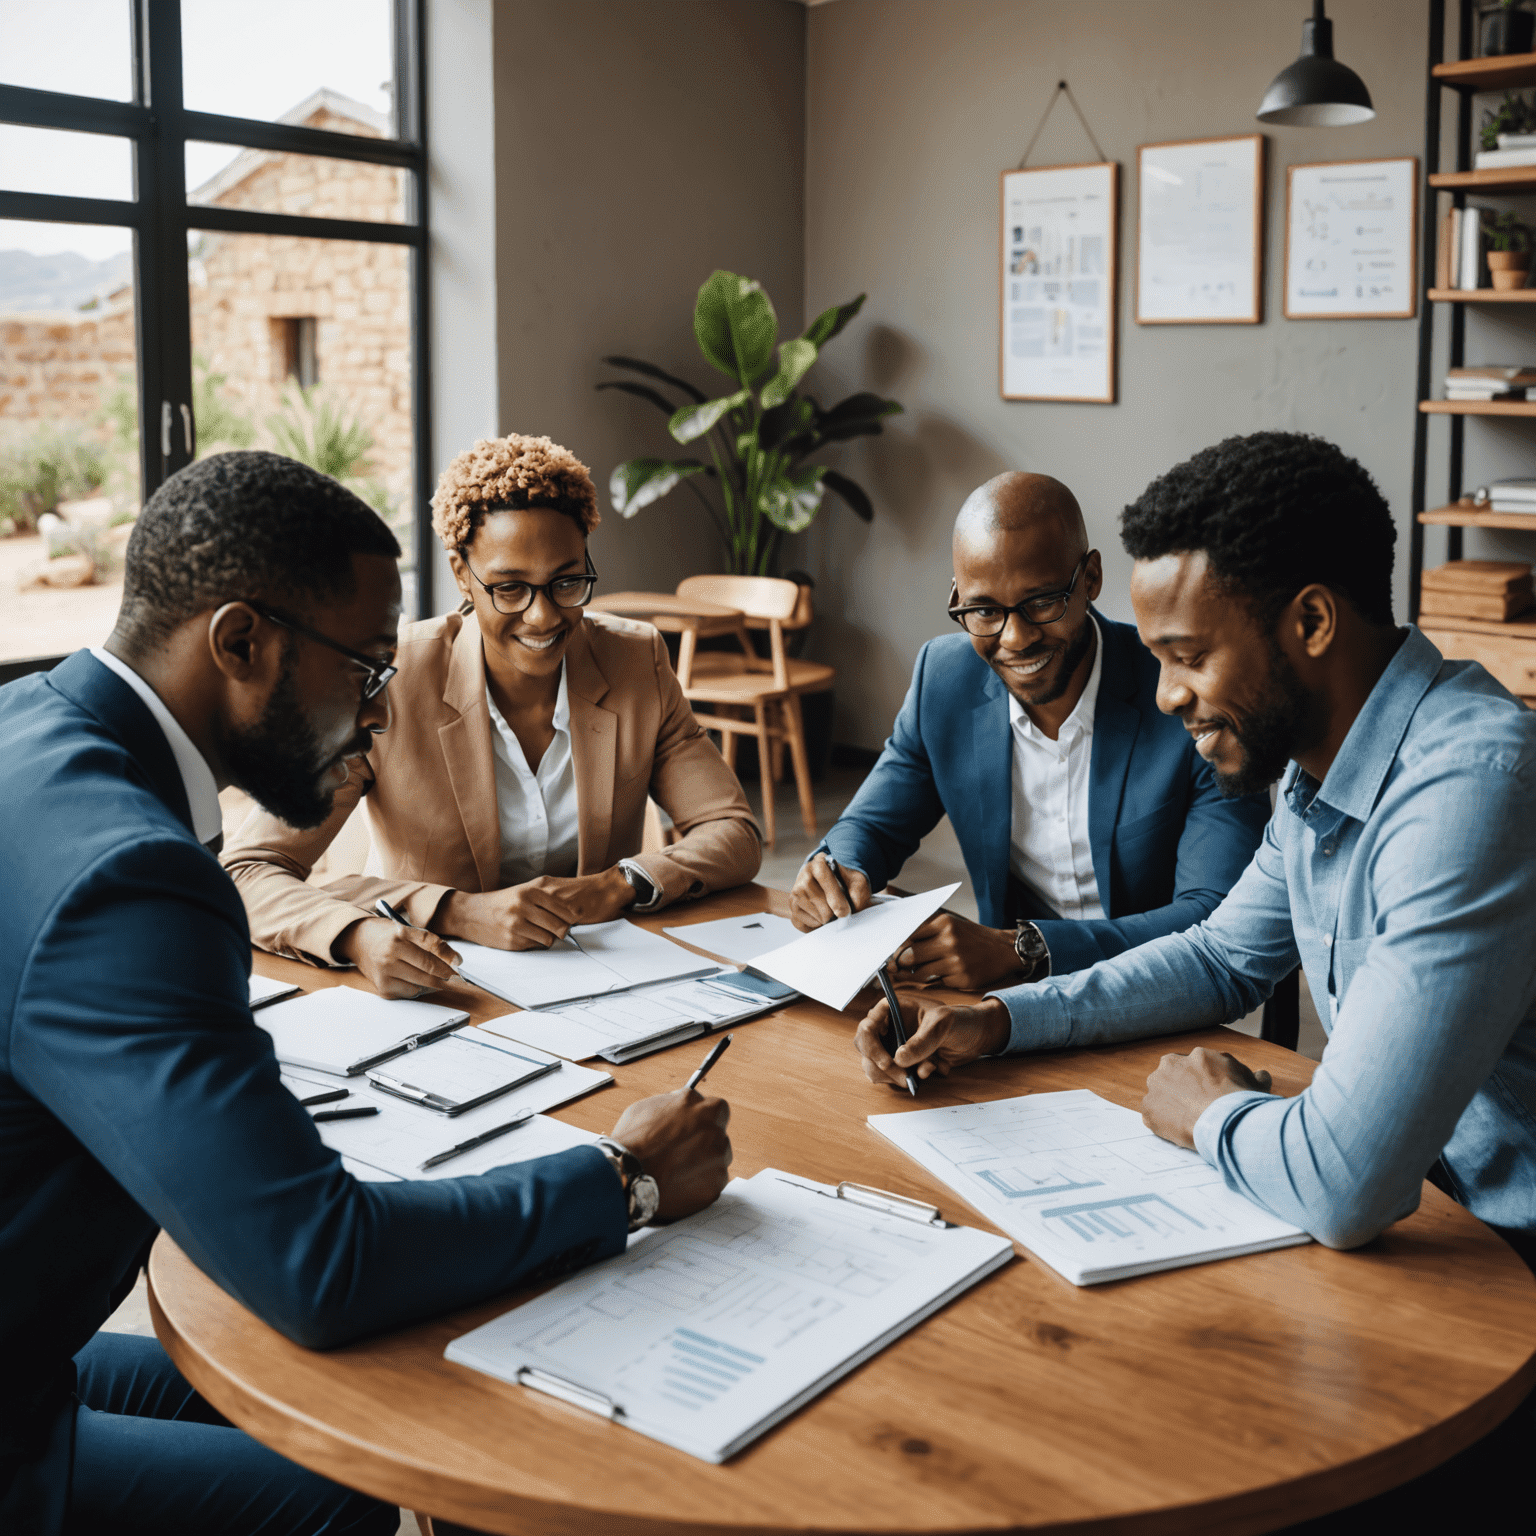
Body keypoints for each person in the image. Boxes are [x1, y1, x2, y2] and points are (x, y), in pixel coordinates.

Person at [0, 451, 733, 1535]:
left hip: (31, 1343)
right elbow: (321, 1265)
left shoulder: (36, 729)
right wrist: (621, 1177)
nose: (376, 706)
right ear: (243, 643)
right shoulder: (131, 874)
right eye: (364, 669)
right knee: (356, 1494)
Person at [854, 432, 1536, 1268]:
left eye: (1189, 657)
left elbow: (1343, 1185)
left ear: (1312, 622)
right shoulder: (1316, 769)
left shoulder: (1472, 788)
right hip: (1427, 1215)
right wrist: (994, 1023)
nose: (1169, 694)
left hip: (1503, 1266)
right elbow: (1219, 958)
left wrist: (1210, 1111)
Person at [222, 433, 760, 999]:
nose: (543, 615)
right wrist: (428, 918)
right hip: (442, 991)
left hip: (605, 985)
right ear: (461, 573)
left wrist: (616, 886)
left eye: (567, 581)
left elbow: (734, 833)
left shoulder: (635, 660)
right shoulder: (389, 681)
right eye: (509, 588)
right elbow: (247, 872)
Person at [791, 471, 1270, 990]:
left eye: (1042, 602)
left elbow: (1213, 916)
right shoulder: (944, 680)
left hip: (1154, 997)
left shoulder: (1185, 697)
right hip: (1013, 1006)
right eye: (983, 610)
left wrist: (1026, 951)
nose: (1014, 638)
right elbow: (873, 827)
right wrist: (835, 871)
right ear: (959, 598)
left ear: (1090, 578)